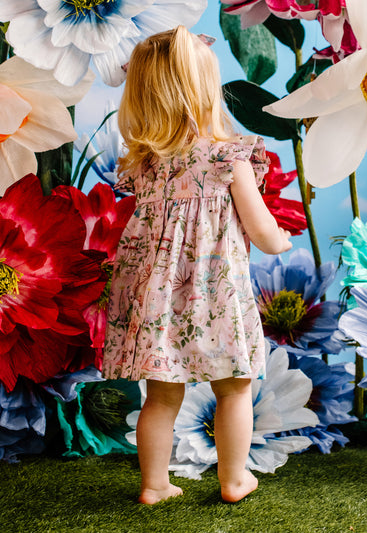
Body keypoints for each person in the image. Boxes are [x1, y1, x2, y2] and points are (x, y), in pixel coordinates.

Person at [102, 25, 292, 505]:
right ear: (205, 90)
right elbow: (262, 231)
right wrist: (282, 240)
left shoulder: (145, 165)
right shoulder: (228, 158)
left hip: (159, 302)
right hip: (214, 297)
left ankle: (154, 484)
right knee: (234, 387)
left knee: (161, 396)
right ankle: (233, 480)